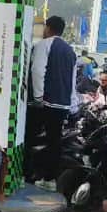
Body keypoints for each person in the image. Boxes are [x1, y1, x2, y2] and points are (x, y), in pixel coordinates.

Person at [24, 16, 76, 191]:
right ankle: (49, 179)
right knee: (55, 142)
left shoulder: (43, 45)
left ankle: (27, 174)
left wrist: (38, 97)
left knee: (30, 138)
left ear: (48, 28)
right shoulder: (70, 51)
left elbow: (37, 70)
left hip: (44, 102)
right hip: (62, 105)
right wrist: (72, 103)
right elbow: (72, 80)